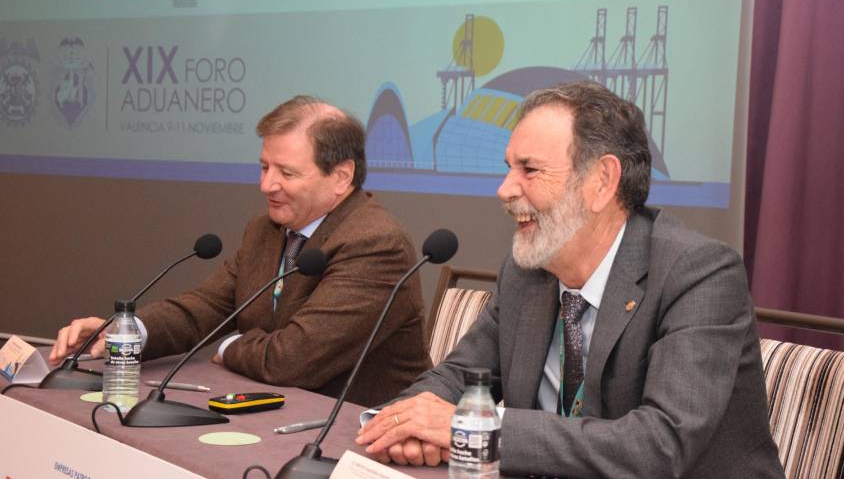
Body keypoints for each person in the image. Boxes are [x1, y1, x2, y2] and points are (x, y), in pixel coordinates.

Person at [356, 81, 785, 477]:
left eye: (530, 169)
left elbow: (660, 444)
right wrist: (403, 423)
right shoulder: (527, 271)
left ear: (601, 181)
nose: (505, 189)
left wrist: (477, 430)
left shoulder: (698, 273)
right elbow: (458, 377)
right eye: (508, 168)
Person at [49, 95, 432, 407]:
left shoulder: (375, 244)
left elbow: (293, 359)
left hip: (354, 435)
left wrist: (230, 346)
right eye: (264, 167)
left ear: (341, 176)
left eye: (287, 172)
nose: (267, 185)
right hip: (277, 412)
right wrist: (126, 333)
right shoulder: (265, 230)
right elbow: (206, 308)